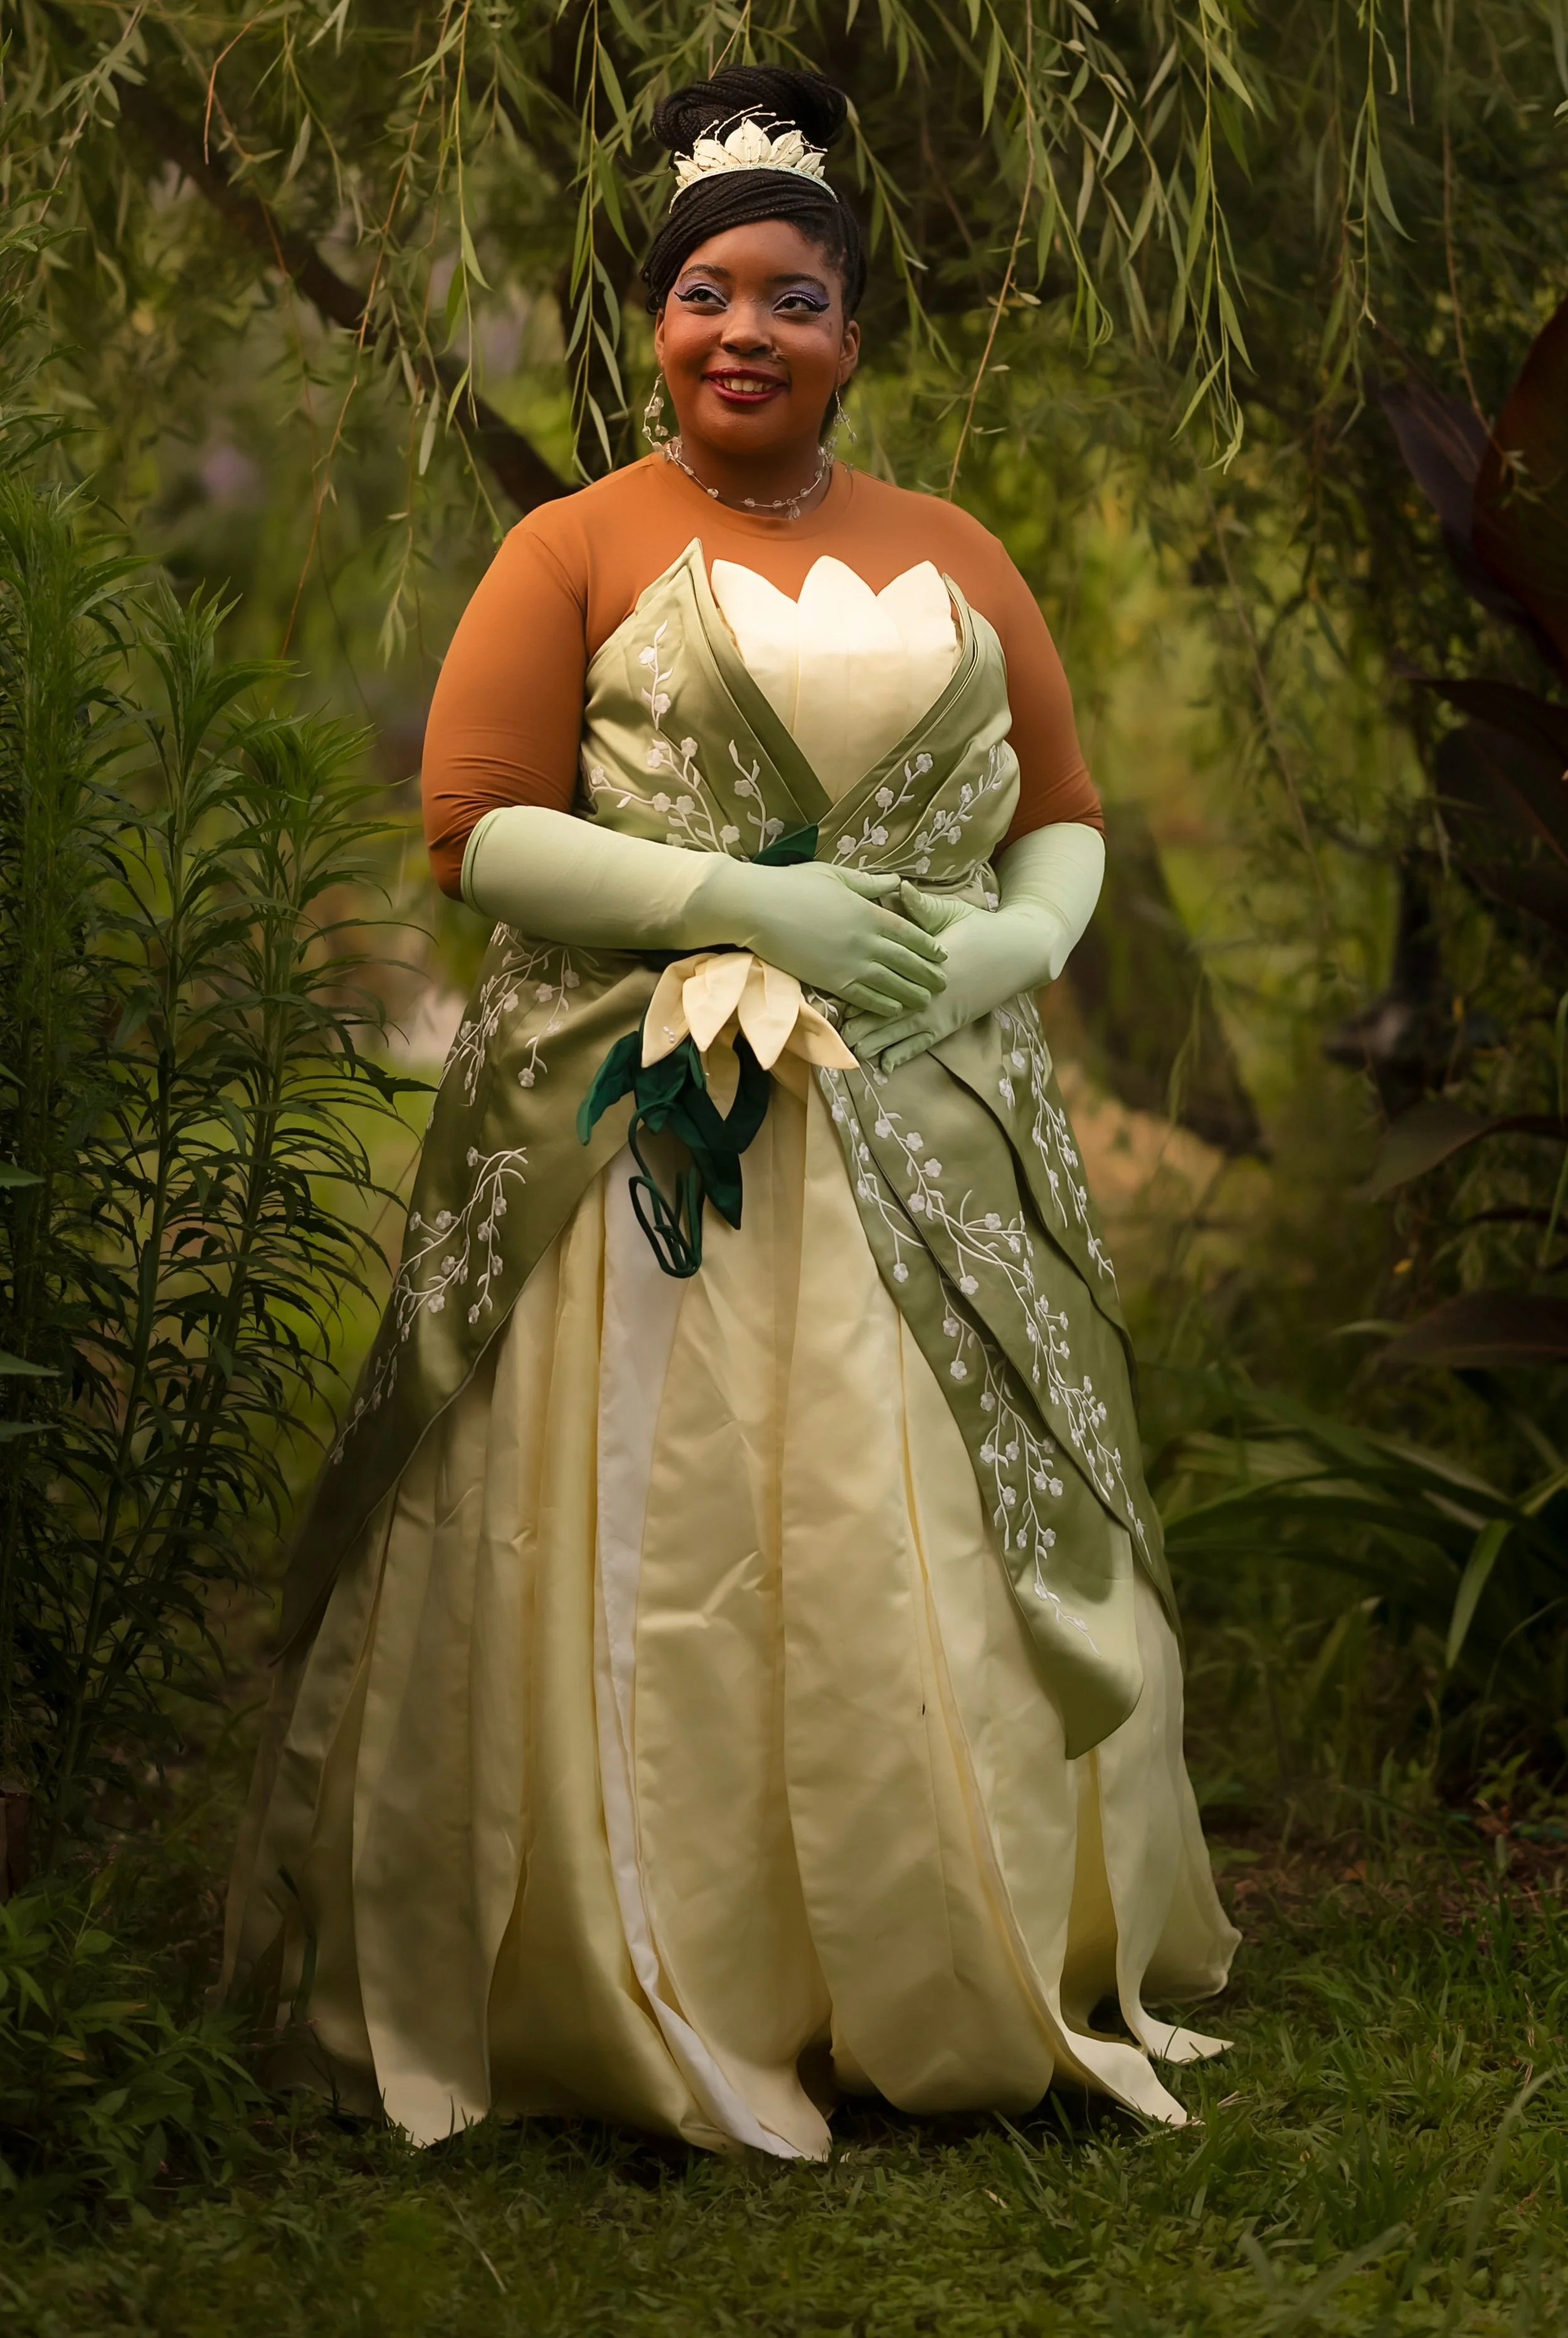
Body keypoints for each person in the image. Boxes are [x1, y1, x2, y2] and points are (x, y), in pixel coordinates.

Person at [224, 63, 1237, 2159]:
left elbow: (1062, 824)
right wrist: (732, 900)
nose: (744, 332)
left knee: (911, 1529)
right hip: (644, 1148)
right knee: (653, 1534)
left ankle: (940, 1945)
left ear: (854, 334)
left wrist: (994, 955)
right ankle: (640, 1952)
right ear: (654, 324)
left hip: (926, 1133)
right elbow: (471, 832)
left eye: (791, 296)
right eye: (705, 291)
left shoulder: (956, 553)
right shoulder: (573, 542)